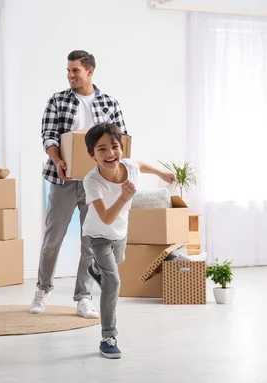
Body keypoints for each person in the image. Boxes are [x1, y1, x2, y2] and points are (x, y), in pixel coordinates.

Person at [31, 50, 128, 317]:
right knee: (53, 238)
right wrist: (58, 159)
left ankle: (83, 296)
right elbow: (48, 135)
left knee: (90, 241)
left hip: (95, 183)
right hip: (62, 180)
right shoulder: (58, 100)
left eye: (75, 70)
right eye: (69, 71)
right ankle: (42, 289)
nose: (71, 75)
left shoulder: (109, 103)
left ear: (90, 71)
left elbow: (122, 141)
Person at [82, 123, 176, 359]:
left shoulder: (129, 166)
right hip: (98, 235)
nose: (110, 153)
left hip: (119, 235)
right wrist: (124, 197)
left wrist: (162, 173)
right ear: (92, 154)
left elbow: (141, 165)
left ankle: (95, 269)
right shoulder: (92, 181)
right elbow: (106, 218)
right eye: (102, 149)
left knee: (117, 261)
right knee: (113, 281)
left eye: (115, 147)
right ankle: (108, 337)